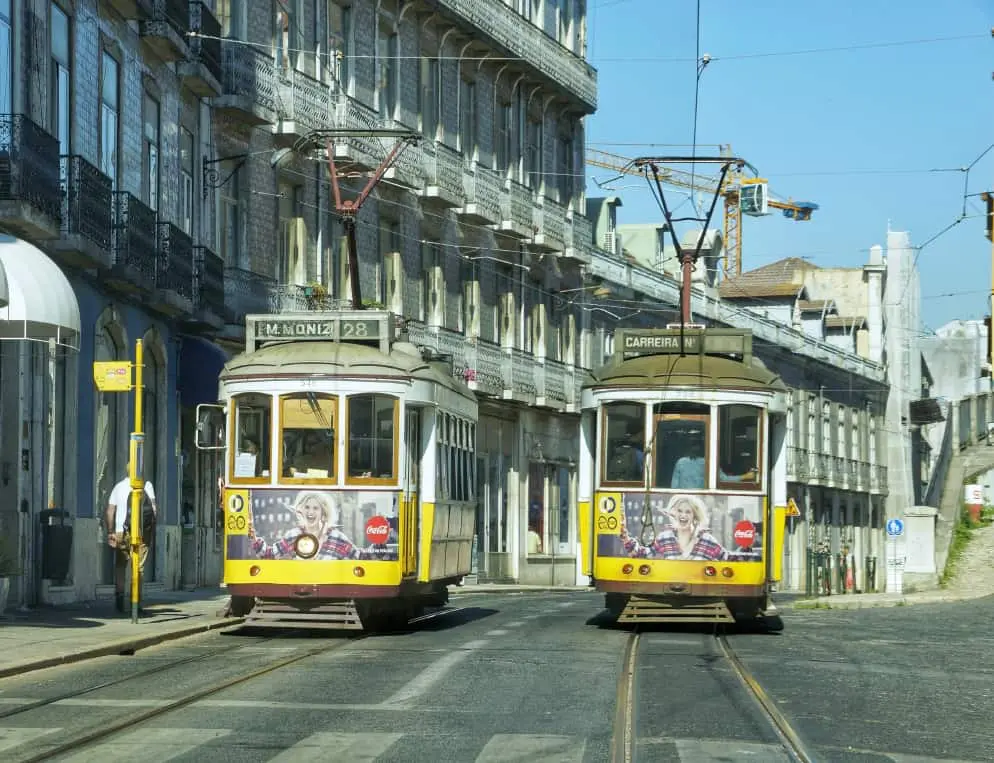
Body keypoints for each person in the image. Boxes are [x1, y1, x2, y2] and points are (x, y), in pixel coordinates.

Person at [105, 462, 158, 614]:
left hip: (121, 531)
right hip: (141, 533)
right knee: (138, 568)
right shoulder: (146, 485)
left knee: (120, 566)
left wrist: (111, 532)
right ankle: (136, 603)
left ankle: (119, 601)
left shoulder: (119, 486)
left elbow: (110, 511)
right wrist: (152, 532)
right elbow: (154, 510)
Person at [249, 491, 360, 560]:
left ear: (323, 513)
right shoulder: (293, 535)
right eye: (307, 507)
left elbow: (360, 557)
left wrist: (377, 549)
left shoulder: (337, 537)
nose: (310, 512)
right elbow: (269, 554)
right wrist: (254, 538)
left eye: (315, 508)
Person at [621, 494, 726, 561]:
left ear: (695, 516)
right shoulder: (664, 538)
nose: (683, 515)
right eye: (679, 511)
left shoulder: (707, 540)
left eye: (688, 512)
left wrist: (743, 550)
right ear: (674, 514)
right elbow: (641, 554)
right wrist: (626, 538)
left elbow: (727, 558)